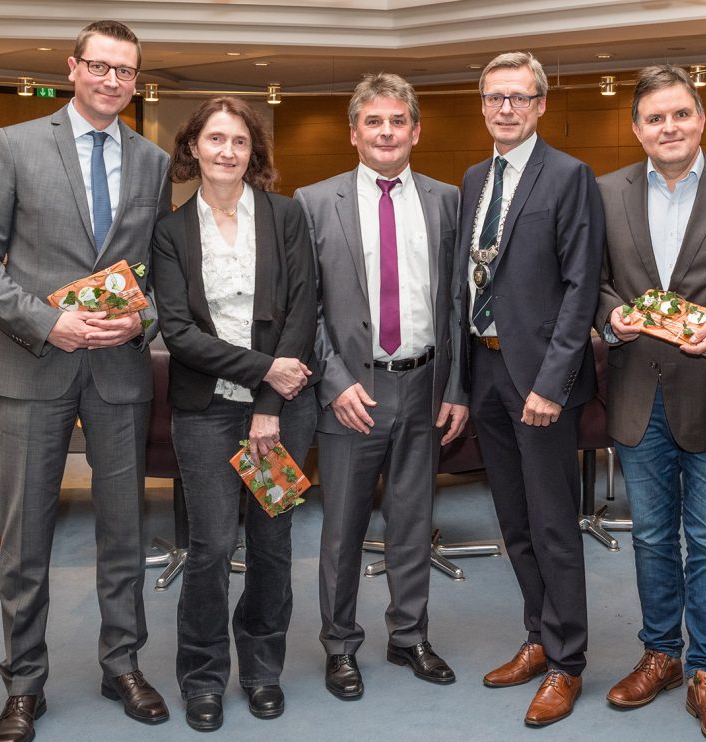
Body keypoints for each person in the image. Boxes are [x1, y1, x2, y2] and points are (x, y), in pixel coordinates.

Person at [0, 20, 173, 741]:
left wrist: (141, 319)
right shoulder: (17, 144)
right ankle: (24, 683)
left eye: (127, 71)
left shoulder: (152, 160)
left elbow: (157, 268)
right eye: (101, 67)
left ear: (137, 80)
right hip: (34, 365)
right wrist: (49, 323)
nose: (113, 81)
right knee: (24, 541)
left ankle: (122, 665)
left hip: (118, 371)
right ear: (72, 68)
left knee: (122, 534)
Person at [595, 64, 706, 742]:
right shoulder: (605, 192)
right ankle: (660, 654)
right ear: (637, 128)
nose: (668, 127)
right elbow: (598, 283)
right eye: (653, 118)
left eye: (680, 114)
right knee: (647, 538)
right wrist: (613, 319)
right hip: (638, 394)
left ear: (701, 119)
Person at [294, 72, 466, 701]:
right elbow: (302, 308)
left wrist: (456, 387)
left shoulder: (448, 200)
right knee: (340, 528)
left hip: (423, 386)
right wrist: (333, 382)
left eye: (398, 121)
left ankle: (409, 634)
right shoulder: (314, 203)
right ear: (353, 134)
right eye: (374, 121)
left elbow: (455, 304)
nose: (387, 132)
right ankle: (340, 644)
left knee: (413, 521)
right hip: (349, 395)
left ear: (416, 131)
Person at [149, 96, 317, 732]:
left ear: (255, 153)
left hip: (279, 416)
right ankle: (202, 675)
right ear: (194, 147)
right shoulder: (169, 232)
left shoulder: (284, 215)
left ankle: (263, 669)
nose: (227, 151)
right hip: (205, 413)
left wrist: (270, 402)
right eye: (215, 139)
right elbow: (178, 332)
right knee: (212, 546)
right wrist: (262, 370)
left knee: (272, 545)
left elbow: (302, 310)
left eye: (239, 141)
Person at [464, 50, 603, 727]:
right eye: (495, 97)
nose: (506, 109)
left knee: (552, 526)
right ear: (482, 103)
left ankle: (568, 663)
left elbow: (582, 287)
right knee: (514, 522)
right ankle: (537, 634)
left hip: (540, 381)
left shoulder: (570, 177)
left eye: (520, 97)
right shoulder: (473, 179)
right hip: (486, 372)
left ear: (542, 104)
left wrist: (554, 382)